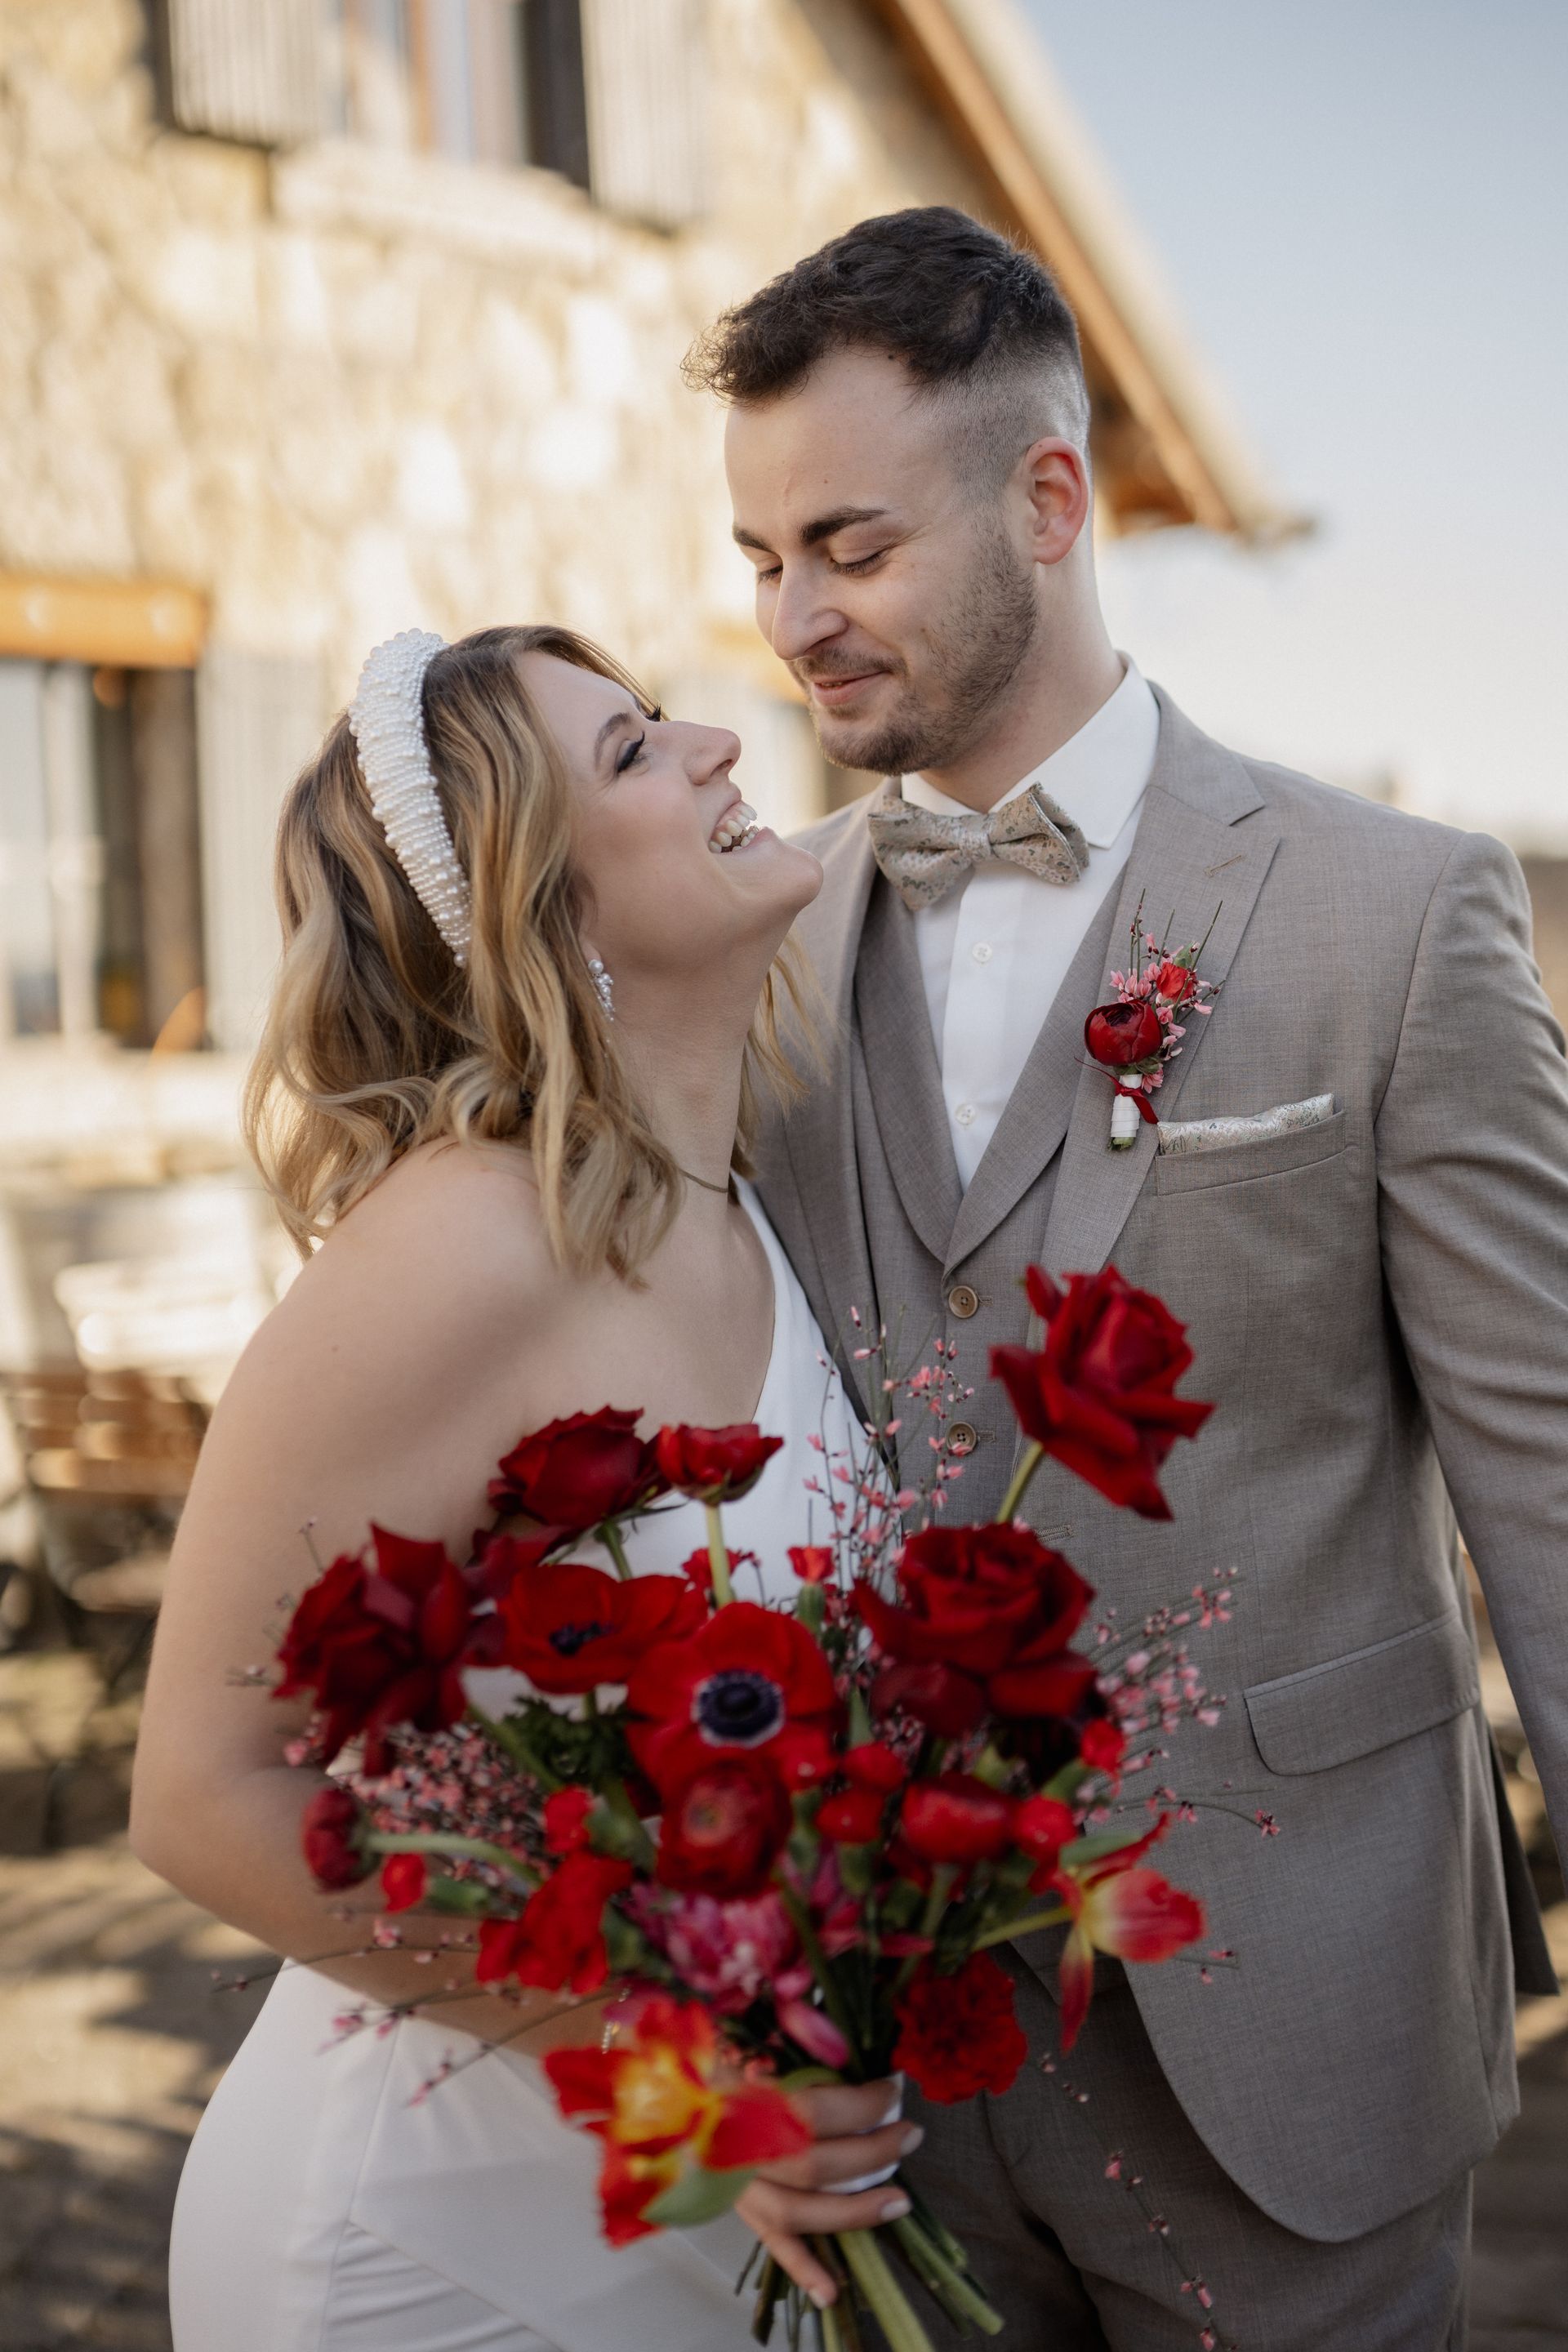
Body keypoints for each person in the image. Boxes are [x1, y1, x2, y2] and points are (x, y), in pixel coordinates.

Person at [693, 206, 1568, 2349]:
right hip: (897, 2071)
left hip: (1303, 2028)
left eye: (850, 545)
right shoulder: (756, 955)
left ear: (1052, 500)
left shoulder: (1393, 915)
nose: (794, 617)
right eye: (758, 559)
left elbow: (1544, 1472)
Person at [130, 622, 919, 2350]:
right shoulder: (463, 1247)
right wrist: (684, 2064)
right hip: (425, 2248)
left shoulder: (739, 1210)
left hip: (685, 2230)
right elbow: (199, 1791)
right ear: (542, 908)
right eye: (635, 752)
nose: (720, 744)